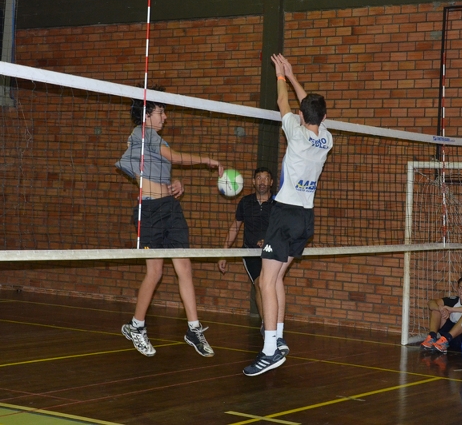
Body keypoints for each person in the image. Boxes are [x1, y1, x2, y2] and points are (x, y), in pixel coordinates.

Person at [243, 54, 333, 377]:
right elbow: (305, 107)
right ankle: (279, 338)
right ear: (324, 117)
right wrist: (293, 78)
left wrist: (281, 75)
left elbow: (283, 101)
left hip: (284, 214)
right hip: (306, 219)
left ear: (301, 115)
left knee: (266, 281)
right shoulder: (327, 139)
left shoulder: (295, 132)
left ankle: (269, 351)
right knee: (277, 278)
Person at [116, 91, 224, 358]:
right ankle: (136, 326)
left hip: (170, 209)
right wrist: (207, 160)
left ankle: (194, 329)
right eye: (160, 112)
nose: (165, 117)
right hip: (150, 213)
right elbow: (174, 157)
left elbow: (162, 170)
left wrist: (176, 184)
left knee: (184, 267)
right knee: (155, 272)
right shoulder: (142, 133)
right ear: (146, 115)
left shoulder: (154, 139)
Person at [218, 168, 275, 330]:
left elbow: (281, 230)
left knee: (270, 286)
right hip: (250, 252)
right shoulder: (245, 202)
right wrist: (224, 253)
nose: (262, 181)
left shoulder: (277, 204)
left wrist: (268, 240)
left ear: (271, 182)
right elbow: (235, 227)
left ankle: (273, 324)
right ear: (253, 182)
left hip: (271, 252)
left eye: (266, 178)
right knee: (259, 283)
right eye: (259, 178)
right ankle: (266, 326)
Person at [420, 276, 462, 353]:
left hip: (461, 339)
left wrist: (451, 309)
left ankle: (446, 339)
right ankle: (432, 337)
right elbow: (431, 302)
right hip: (445, 338)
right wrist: (441, 309)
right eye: (460, 287)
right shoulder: (454, 300)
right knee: (436, 309)